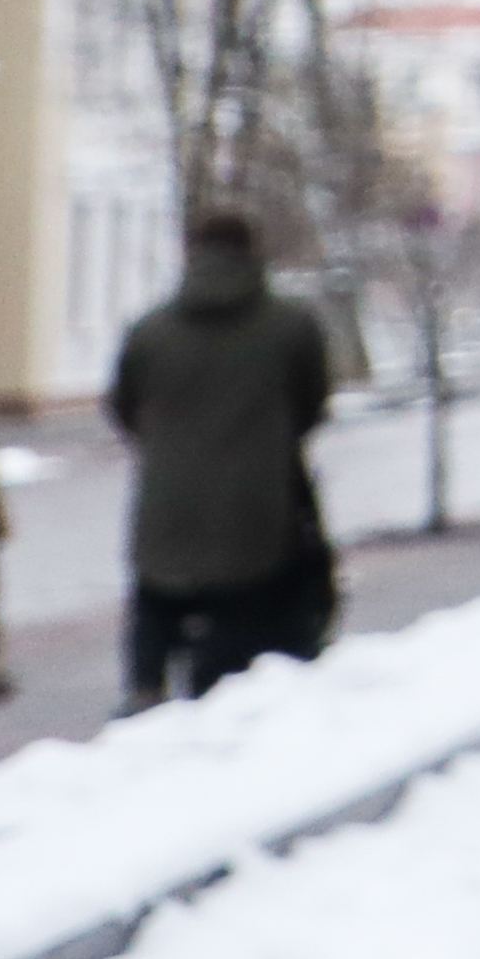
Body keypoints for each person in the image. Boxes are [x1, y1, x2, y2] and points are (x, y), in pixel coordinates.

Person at [113, 207, 341, 709]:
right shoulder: (292, 328)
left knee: (157, 598)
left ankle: (143, 693)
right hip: (258, 512)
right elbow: (311, 405)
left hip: (165, 511)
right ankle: (219, 713)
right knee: (242, 628)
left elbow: (124, 409)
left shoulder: (149, 331)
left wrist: (171, 450)